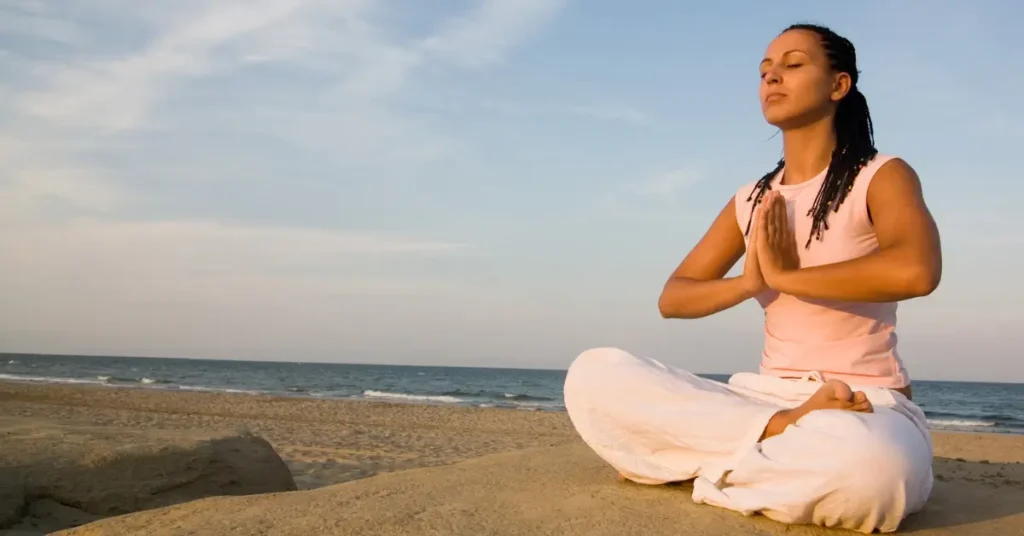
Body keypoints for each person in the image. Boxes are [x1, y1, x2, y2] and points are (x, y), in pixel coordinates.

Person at [562, 23, 942, 534]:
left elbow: (917, 270)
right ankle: (776, 435)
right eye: (765, 71)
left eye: (793, 64)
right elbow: (674, 298)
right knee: (594, 373)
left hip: (864, 402)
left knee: (875, 474)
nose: (772, 78)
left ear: (839, 85)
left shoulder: (881, 175)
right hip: (763, 402)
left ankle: (694, 464)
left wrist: (788, 276)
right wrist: (748, 283)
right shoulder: (752, 198)